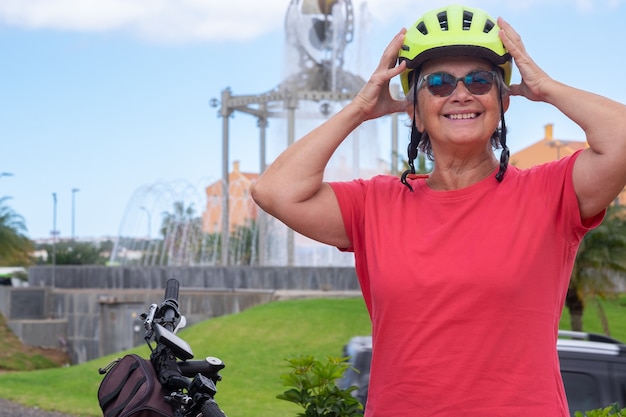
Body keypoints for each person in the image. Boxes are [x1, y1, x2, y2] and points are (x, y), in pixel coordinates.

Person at [251, 4, 626, 416]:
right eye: (439, 83)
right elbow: (275, 191)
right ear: (414, 109)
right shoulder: (374, 204)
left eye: (481, 81)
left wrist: (546, 86)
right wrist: (360, 108)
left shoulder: (549, 193)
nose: (461, 94)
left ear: (502, 101)